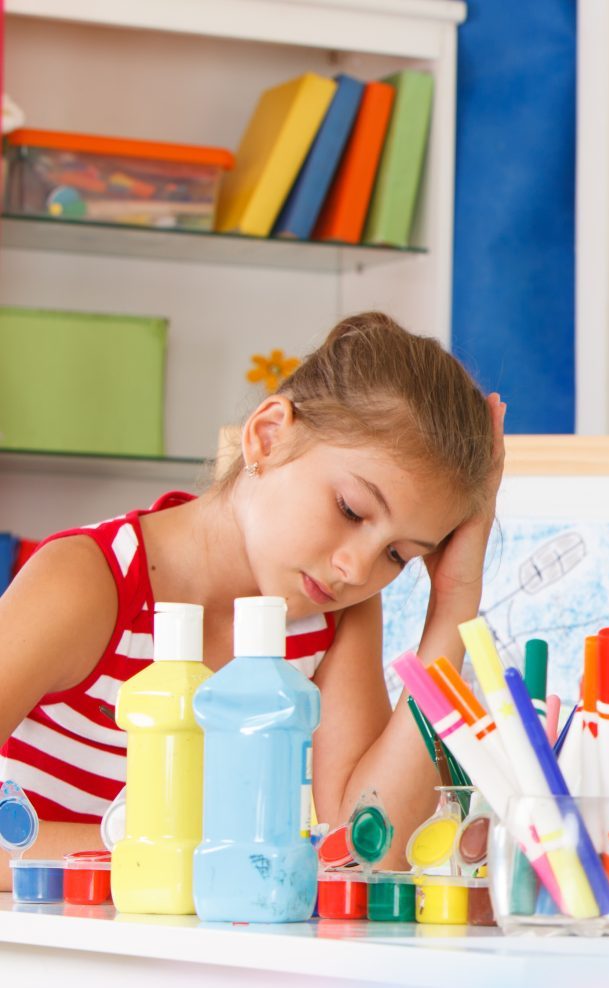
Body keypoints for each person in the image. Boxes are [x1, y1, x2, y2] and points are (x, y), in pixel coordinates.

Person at [0, 313, 503, 883]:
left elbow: (370, 849)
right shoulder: (90, 581)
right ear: (268, 435)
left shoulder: (333, 616)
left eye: (399, 555)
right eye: (351, 510)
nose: (356, 567)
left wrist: (455, 600)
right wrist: (170, 855)